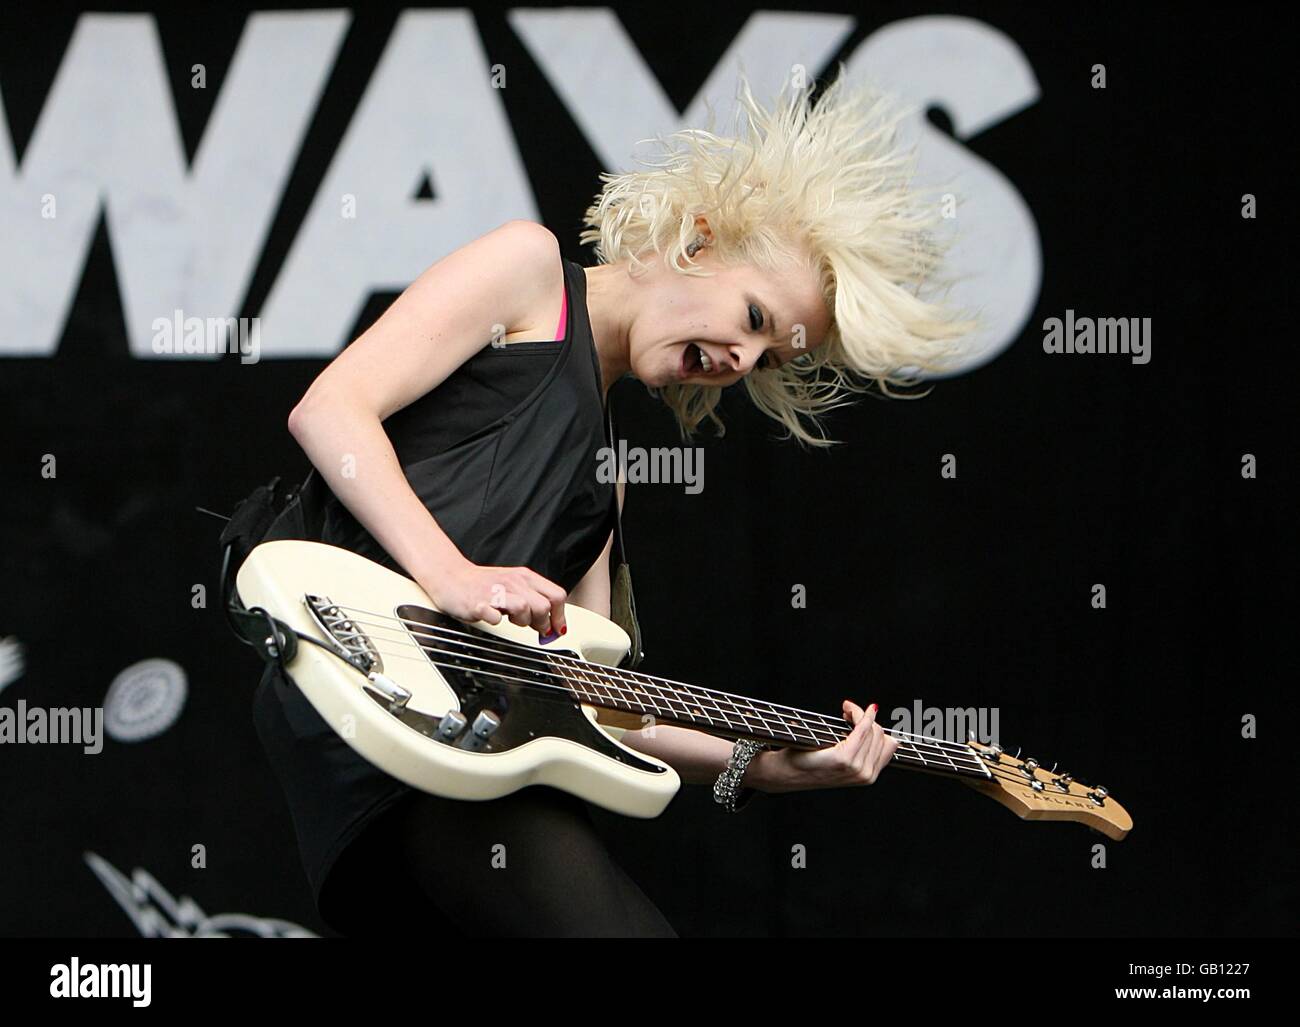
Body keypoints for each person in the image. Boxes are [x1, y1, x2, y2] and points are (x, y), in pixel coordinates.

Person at [250, 69, 977, 937]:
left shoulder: (606, 481)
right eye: (752, 314)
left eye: (770, 357)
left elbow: (599, 706)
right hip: (365, 712)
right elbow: (329, 409)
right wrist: (451, 576)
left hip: (464, 756)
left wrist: (761, 764)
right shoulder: (529, 276)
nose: (744, 359)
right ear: (697, 240)